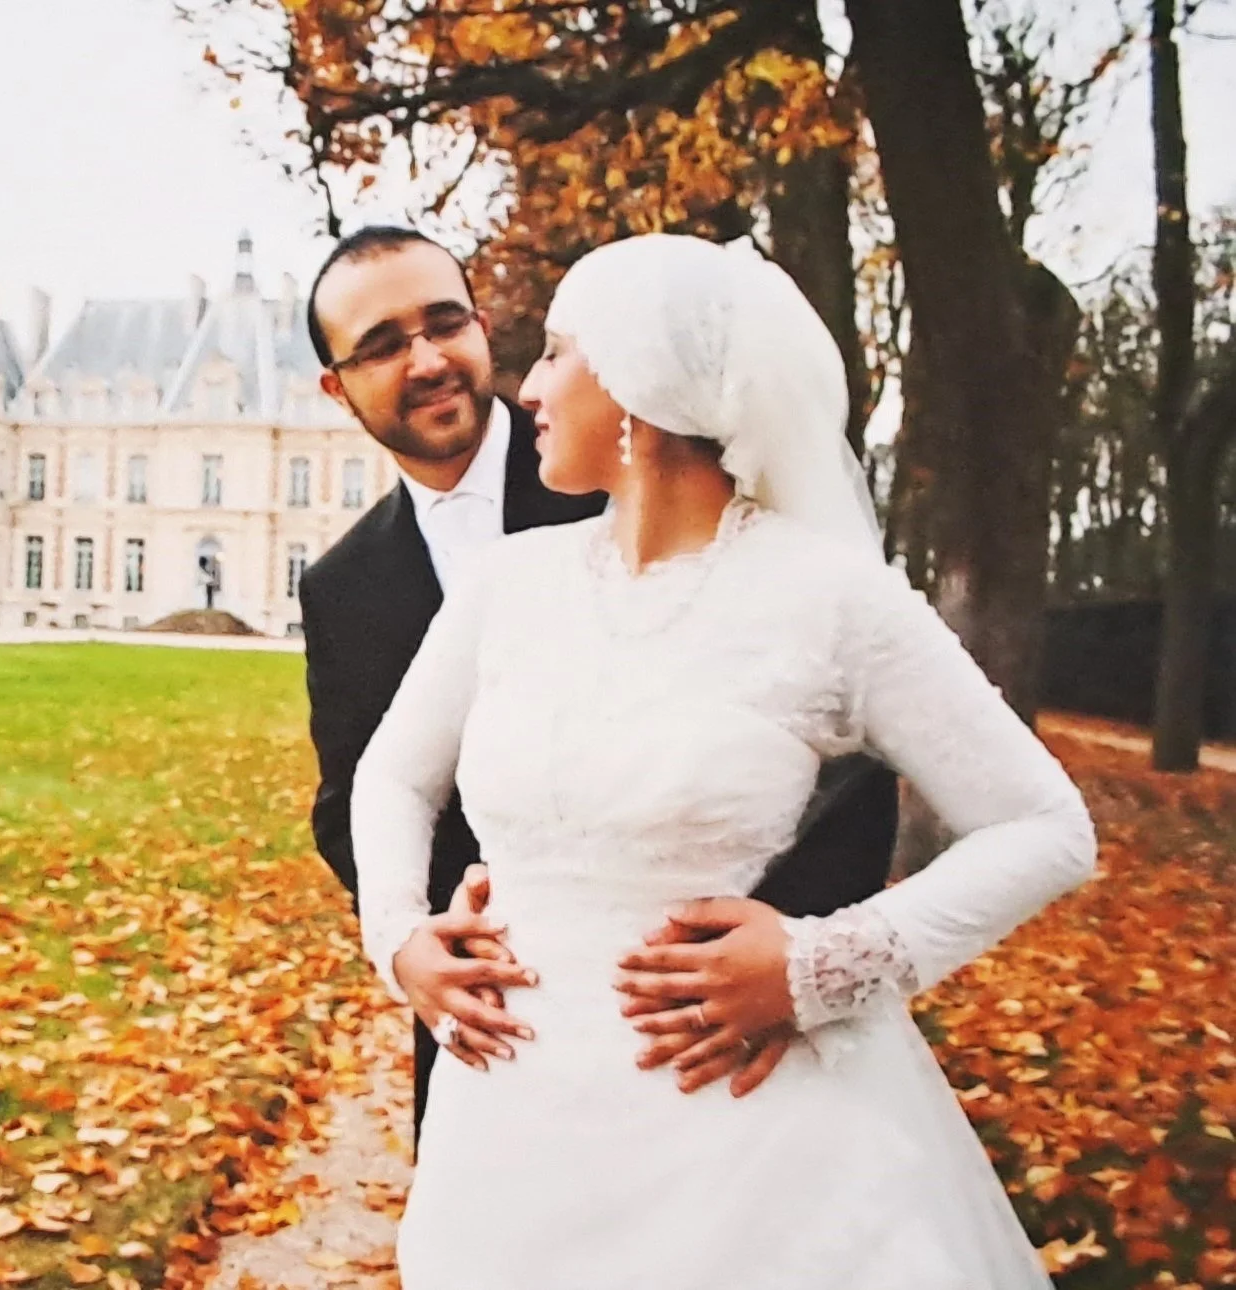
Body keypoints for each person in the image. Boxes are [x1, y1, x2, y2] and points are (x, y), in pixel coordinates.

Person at [349, 232, 1096, 1287]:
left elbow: (1047, 828)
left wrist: (817, 967)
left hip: (741, 1153)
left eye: (559, 353)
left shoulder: (830, 599)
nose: (529, 387)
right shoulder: (507, 585)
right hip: (509, 1136)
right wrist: (401, 943)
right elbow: (392, 777)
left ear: (640, 383)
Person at [297, 225, 899, 1144]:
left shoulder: (637, 466)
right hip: (498, 1021)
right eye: (382, 345)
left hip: (709, 1014)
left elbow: (842, 744)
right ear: (337, 387)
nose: (426, 360)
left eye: (444, 322)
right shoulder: (340, 586)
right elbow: (352, 793)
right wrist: (413, 940)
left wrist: (792, 953)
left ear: (484, 324)